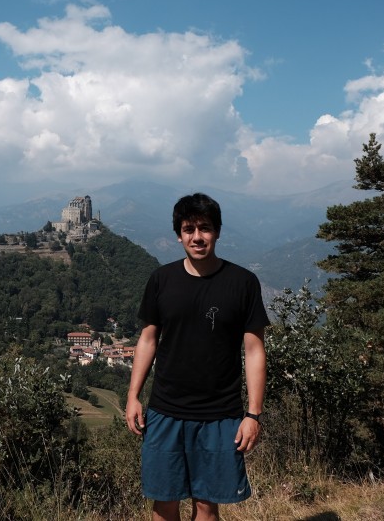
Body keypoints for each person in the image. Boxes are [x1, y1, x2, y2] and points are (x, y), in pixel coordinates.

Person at [125, 192, 268, 521]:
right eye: (189, 229)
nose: (197, 237)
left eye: (205, 228)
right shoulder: (162, 279)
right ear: (178, 235)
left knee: (207, 504)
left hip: (220, 415)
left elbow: (254, 349)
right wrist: (133, 396)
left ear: (217, 231)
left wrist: (253, 415)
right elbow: (148, 339)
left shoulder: (243, 283)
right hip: (164, 411)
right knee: (164, 502)